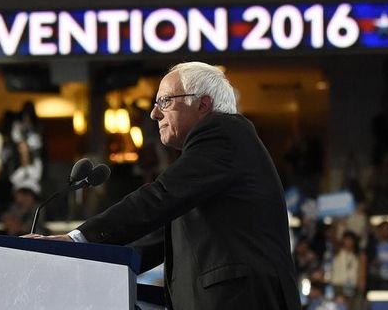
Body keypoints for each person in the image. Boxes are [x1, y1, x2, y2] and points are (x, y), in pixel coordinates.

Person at [27, 62, 300, 309]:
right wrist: (83, 261)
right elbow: (153, 242)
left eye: (166, 101)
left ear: (203, 104)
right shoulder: (210, 161)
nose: (155, 113)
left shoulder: (224, 135)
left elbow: (158, 197)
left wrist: (76, 240)